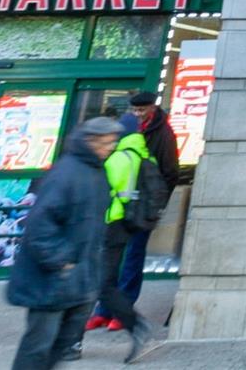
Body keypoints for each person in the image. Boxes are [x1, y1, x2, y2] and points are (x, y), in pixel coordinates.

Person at [7, 117, 121, 370]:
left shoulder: (97, 172)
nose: (110, 147)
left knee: (62, 343)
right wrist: (62, 262)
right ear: (90, 141)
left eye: (112, 142)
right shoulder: (66, 173)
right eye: (105, 142)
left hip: (80, 275)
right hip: (54, 277)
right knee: (39, 345)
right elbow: (39, 227)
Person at [89, 93, 182, 336]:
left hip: (142, 207)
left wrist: (156, 204)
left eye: (143, 109)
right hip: (117, 206)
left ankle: (124, 308)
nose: (139, 113)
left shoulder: (163, 134)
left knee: (132, 256)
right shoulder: (124, 128)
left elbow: (170, 172)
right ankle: (104, 309)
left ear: (153, 107)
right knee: (110, 260)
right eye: (136, 109)